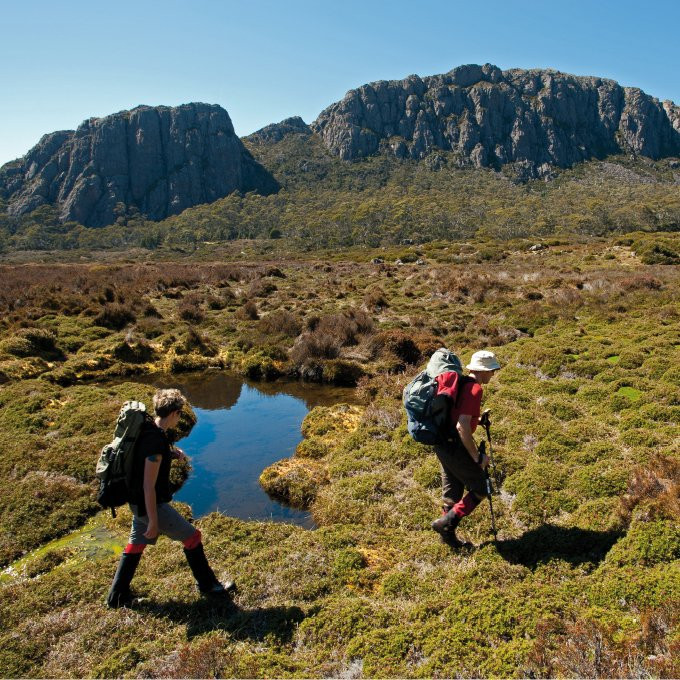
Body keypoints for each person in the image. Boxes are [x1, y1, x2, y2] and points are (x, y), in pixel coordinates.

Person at [107, 388, 235, 608]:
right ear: (174, 413)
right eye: (180, 414)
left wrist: (172, 453)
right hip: (149, 505)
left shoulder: (149, 429)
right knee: (192, 537)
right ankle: (209, 585)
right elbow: (149, 486)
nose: (180, 418)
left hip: (136, 503)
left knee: (135, 545)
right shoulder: (155, 445)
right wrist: (154, 520)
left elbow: (150, 456)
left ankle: (116, 596)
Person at [430, 350, 500, 546]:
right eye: (492, 370)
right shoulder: (475, 389)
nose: (493, 374)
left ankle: (447, 539)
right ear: (483, 371)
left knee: (452, 493)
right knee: (482, 488)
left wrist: (478, 420)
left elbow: (460, 415)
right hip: (455, 446)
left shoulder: (459, 383)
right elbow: (462, 425)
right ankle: (447, 523)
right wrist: (477, 457)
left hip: (442, 442)